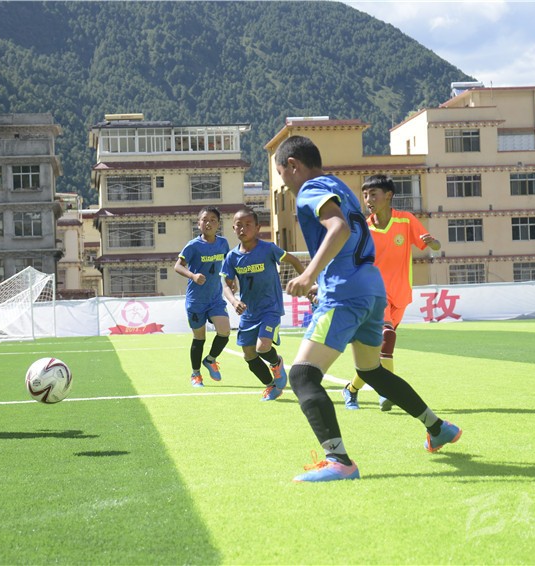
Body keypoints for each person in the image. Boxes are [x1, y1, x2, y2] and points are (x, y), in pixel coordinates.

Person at [274, 135, 461, 482]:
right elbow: (351, 237)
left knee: (301, 375)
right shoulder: (339, 187)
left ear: (293, 166)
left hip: (346, 293)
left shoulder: (311, 189)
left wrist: (310, 274)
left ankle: (339, 461)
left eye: (282, 174)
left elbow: (339, 228)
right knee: (372, 370)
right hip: (372, 288)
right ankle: (438, 428)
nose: (284, 183)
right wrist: (322, 280)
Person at [342, 174, 441, 410]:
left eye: (372, 194)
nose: (368, 199)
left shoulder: (406, 220)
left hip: (401, 294)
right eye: (365, 195)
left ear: (388, 196)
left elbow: (434, 246)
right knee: (387, 337)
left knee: (375, 353)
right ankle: (387, 392)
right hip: (374, 294)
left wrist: (433, 243)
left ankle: (351, 389)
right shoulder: (363, 228)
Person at [221, 207, 305, 401]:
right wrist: (234, 301)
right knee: (249, 354)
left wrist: (307, 282)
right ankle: (271, 385)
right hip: (249, 313)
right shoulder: (232, 257)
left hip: (270, 308)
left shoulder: (268, 249)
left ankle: (276, 364)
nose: (243, 228)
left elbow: (293, 260)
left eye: (248, 224)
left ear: (258, 227)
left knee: (262, 347)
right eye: (239, 225)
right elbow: (226, 284)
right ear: (233, 228)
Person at [174, 207, 231, 387]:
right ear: (198, 224)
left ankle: (210, 359)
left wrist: (231, 280)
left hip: (215, 299)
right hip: (196, 300)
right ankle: (196, 374)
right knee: (199, 338)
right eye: (205, 220)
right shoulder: (193, 246)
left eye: (213, 220)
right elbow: (178, 266)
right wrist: (193, 276)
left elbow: (228, 264)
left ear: (218, 224)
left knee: (225, 331)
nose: (208, 223)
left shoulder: (223, 243)